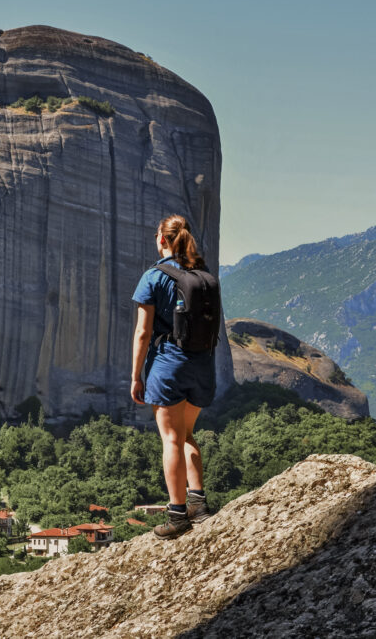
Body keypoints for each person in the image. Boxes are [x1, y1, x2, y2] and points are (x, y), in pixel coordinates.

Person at [131, 214, 216, 540]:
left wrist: (136, 375)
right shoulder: (202, 274)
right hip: (202, 365)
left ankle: (177, 514)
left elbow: (143, 333)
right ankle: (199, 504)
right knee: (187, 435)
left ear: (162, 240)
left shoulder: (153, 277)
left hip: (168, 366)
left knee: (170, 439)